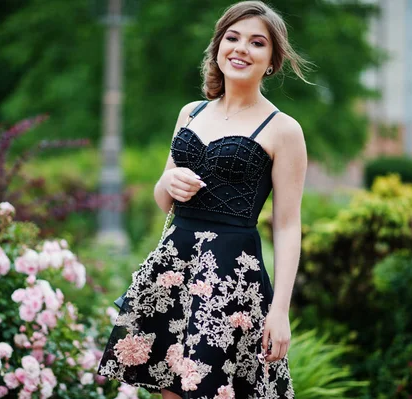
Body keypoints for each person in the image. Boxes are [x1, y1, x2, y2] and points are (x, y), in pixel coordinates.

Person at [97, 1, 309, 398]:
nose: (241, 48)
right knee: (171, 391)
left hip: (232, 276)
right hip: (175, 267)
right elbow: (163, 200)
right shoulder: (190, 114)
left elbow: (287, 224)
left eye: (256, 42)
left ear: (272, 61)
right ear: (217, 47)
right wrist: (169, 180)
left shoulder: (284, 129)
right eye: (232, 38)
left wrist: (280, 310)